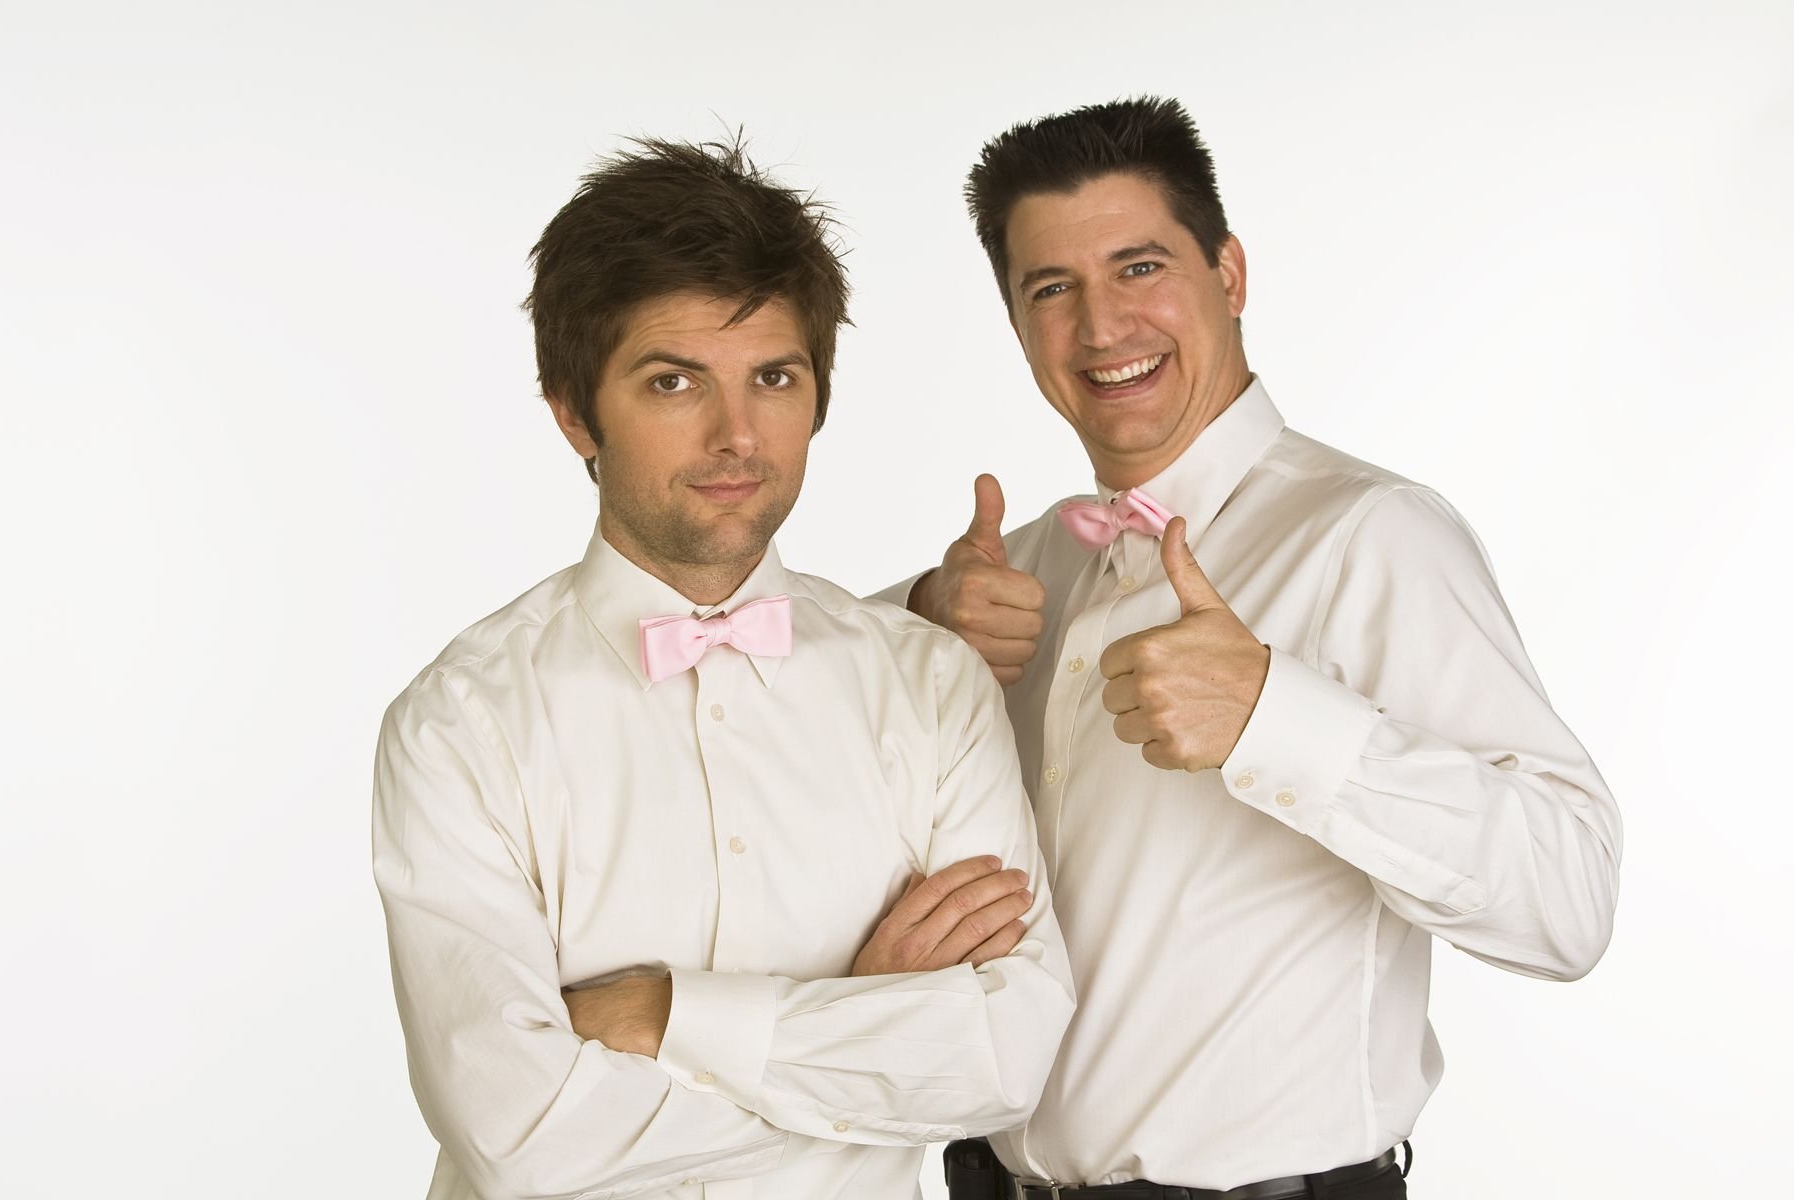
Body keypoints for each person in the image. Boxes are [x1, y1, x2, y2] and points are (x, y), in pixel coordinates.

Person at [887, 97, 1622, 1199]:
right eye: (1053, 289)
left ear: (1228, 273)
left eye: (1139, 267)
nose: (1101, 327)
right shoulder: (1018, 565)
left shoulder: (1370, 535)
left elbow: (1568, 902)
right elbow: (757, 679)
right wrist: (924, 624)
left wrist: (1276, 718)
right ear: (1016, 321)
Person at [372, 137, 1074, 1200]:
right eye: (673, 382)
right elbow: (519, 1133)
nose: (737, 435)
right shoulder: (460, 725)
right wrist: (864, 1016)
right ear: (574, 413)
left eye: (774, 378)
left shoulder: (932, 689)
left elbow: (1007, 1057)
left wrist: (664, 1017)